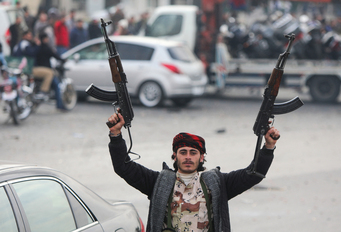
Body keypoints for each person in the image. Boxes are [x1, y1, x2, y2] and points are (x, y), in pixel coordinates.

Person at [107, 112, 279, 232]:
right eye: (183, 152)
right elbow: (124, 168)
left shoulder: (217, 183)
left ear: (202, 157)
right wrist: (115, 135)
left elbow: (253, 174)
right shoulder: (159, 182)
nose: (188, 157)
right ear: (174, 156)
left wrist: (268, 147)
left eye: (193, 152)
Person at [34, 32, 66, 110]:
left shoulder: (37, 48)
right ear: (45, 39)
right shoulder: (47, 48)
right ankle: (59, 105)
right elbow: (56, 56)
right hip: (45, 71)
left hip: (36, 70)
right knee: (56, 86)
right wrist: (63, 60)